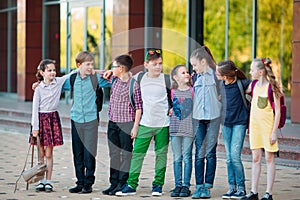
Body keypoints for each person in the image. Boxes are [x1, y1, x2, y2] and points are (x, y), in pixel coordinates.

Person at [115, 49, 171, 197]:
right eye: (154, 64)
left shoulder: (167, 79)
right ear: (146, 64)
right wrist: (109, 71)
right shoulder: (139, 78)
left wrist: (173, 108)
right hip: (144, 123)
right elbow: (122, 73)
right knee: (137, 155)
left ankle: (158, 185)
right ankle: (131, 184)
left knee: (161, 155)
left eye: (160, 64)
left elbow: (178, 94)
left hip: (163, 124)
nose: (158, 67)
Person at [63, 51, 110, 194]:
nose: (91, 67)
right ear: (79, 65)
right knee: (77, 153)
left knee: (89, 153)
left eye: (92, 64)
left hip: (91, 120)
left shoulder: (96, 78)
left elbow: (115, 77)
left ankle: (88, 183)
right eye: (87, 64)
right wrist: (38, 83)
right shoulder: (71, 79)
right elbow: (53, 83)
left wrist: (107, 71)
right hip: (76, 120)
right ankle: (80, 182)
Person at [30, 59, 77, 192]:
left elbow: (72, 73)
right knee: (41, 154)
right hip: (40, 120)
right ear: (42, 72)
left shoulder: (59, 82)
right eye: (49, 70)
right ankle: (40, 181)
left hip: (52, 120)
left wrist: (88, 68)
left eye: (54, 70)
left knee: (49, 154)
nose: (52, 72)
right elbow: (34, 109)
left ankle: (48, 181)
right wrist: (35, 127)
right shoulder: (38, 89)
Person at [102, 54, 143, 196]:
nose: (111, 69)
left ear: (121, 68)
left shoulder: (134, 85)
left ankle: (122, 182)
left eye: (113, 66)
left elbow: (138, 107)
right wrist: (106, 72)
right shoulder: (113, 79)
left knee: (126, 154)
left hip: (127, 124)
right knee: (114, 154)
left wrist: (135, 126)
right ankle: (113, 183)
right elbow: (95, 73)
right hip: (113, 123)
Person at [241, 58, 281, 200]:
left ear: (261, 71)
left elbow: (278, 112)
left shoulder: (272, 87)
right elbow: (240, 89)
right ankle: (253, 192)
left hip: (268, 129)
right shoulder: (253, 85)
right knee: (255, 158)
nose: (250, 72)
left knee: (269, 159)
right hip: (255, 129)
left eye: (252, 70)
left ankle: (268, 193)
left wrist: (274, 132)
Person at [189, 46, 222, 199]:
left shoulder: (216, 76)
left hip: (213, 119)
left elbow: (223, 96)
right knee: (199, 153)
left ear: (203, 62)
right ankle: (199, 187)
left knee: (210, 153)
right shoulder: (196, 77)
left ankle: (207, 187)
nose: (193, 69)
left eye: (195, 65)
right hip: (198, 119)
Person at [216, 60, 251, 199]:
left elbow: (257, 90)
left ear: (225, 75)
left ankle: (241, 189)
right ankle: (232, 188)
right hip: (225, 124)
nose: (216, 74)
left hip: (239, 123)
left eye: (218, 72)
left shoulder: (242, 84)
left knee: (235, 156)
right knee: (229, 158)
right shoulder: (221, 84)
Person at [169, 65, 194, 197]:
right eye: (182, 72)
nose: (186, 74)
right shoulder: (172, 92)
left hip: (188, 128)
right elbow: (172, 106)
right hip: (175, 129)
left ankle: (186, 186)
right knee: (177, 158)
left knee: (187, 157)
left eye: (187, 72)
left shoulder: (192, 91)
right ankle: (178, 185)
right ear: (175, 77)